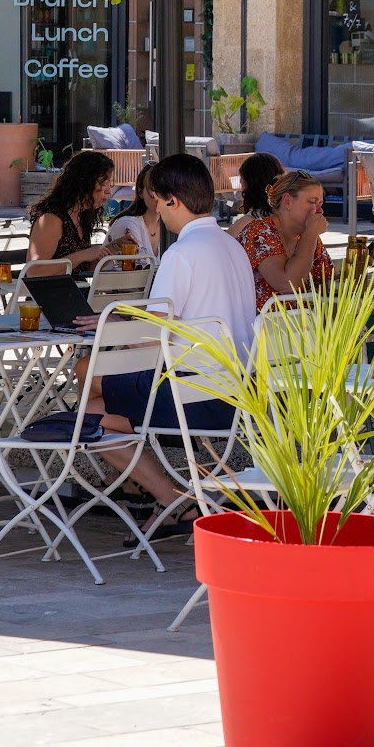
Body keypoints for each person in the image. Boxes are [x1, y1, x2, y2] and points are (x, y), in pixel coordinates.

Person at [81, 155, 258, 535]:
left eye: (159, 203)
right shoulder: (233, 247)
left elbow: (153, 335)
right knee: (97, 402)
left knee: (86, 411)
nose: (158, 212)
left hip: (193, 396)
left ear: (173, 201)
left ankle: (169, 496)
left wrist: (113, 325)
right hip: (236, 393)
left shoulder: (182, 253)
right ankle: (165, 494)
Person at [243, 169, 333, 312]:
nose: (319, 211)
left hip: (303, 327)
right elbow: (288, 284)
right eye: (312, 202)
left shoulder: (308, 237)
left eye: (320, 204)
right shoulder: (259, 231)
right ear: (287, 201)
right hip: (262, 330)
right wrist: (311, 232)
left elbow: (329, 282)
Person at [28, 150, 115, 271]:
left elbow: (83, 268)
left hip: (78, 289)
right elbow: (34, 271)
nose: (108, 191)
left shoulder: (82, 216)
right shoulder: (52, 219)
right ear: (84, 183)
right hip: (56, 290)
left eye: (110, 184)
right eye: (104, 183)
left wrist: (114, 247)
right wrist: (82, 255)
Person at [106, 164, 160, 263]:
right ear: (140, 192)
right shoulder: (128, 224)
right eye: (152, 189)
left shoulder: (169, 227)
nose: (159, 196)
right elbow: (140, 269)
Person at [227, 151, 284, 242]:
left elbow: (223, 246)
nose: (240, 182)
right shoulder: (289, 215)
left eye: (241, 178)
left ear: (251, 183)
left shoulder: (249, 221)